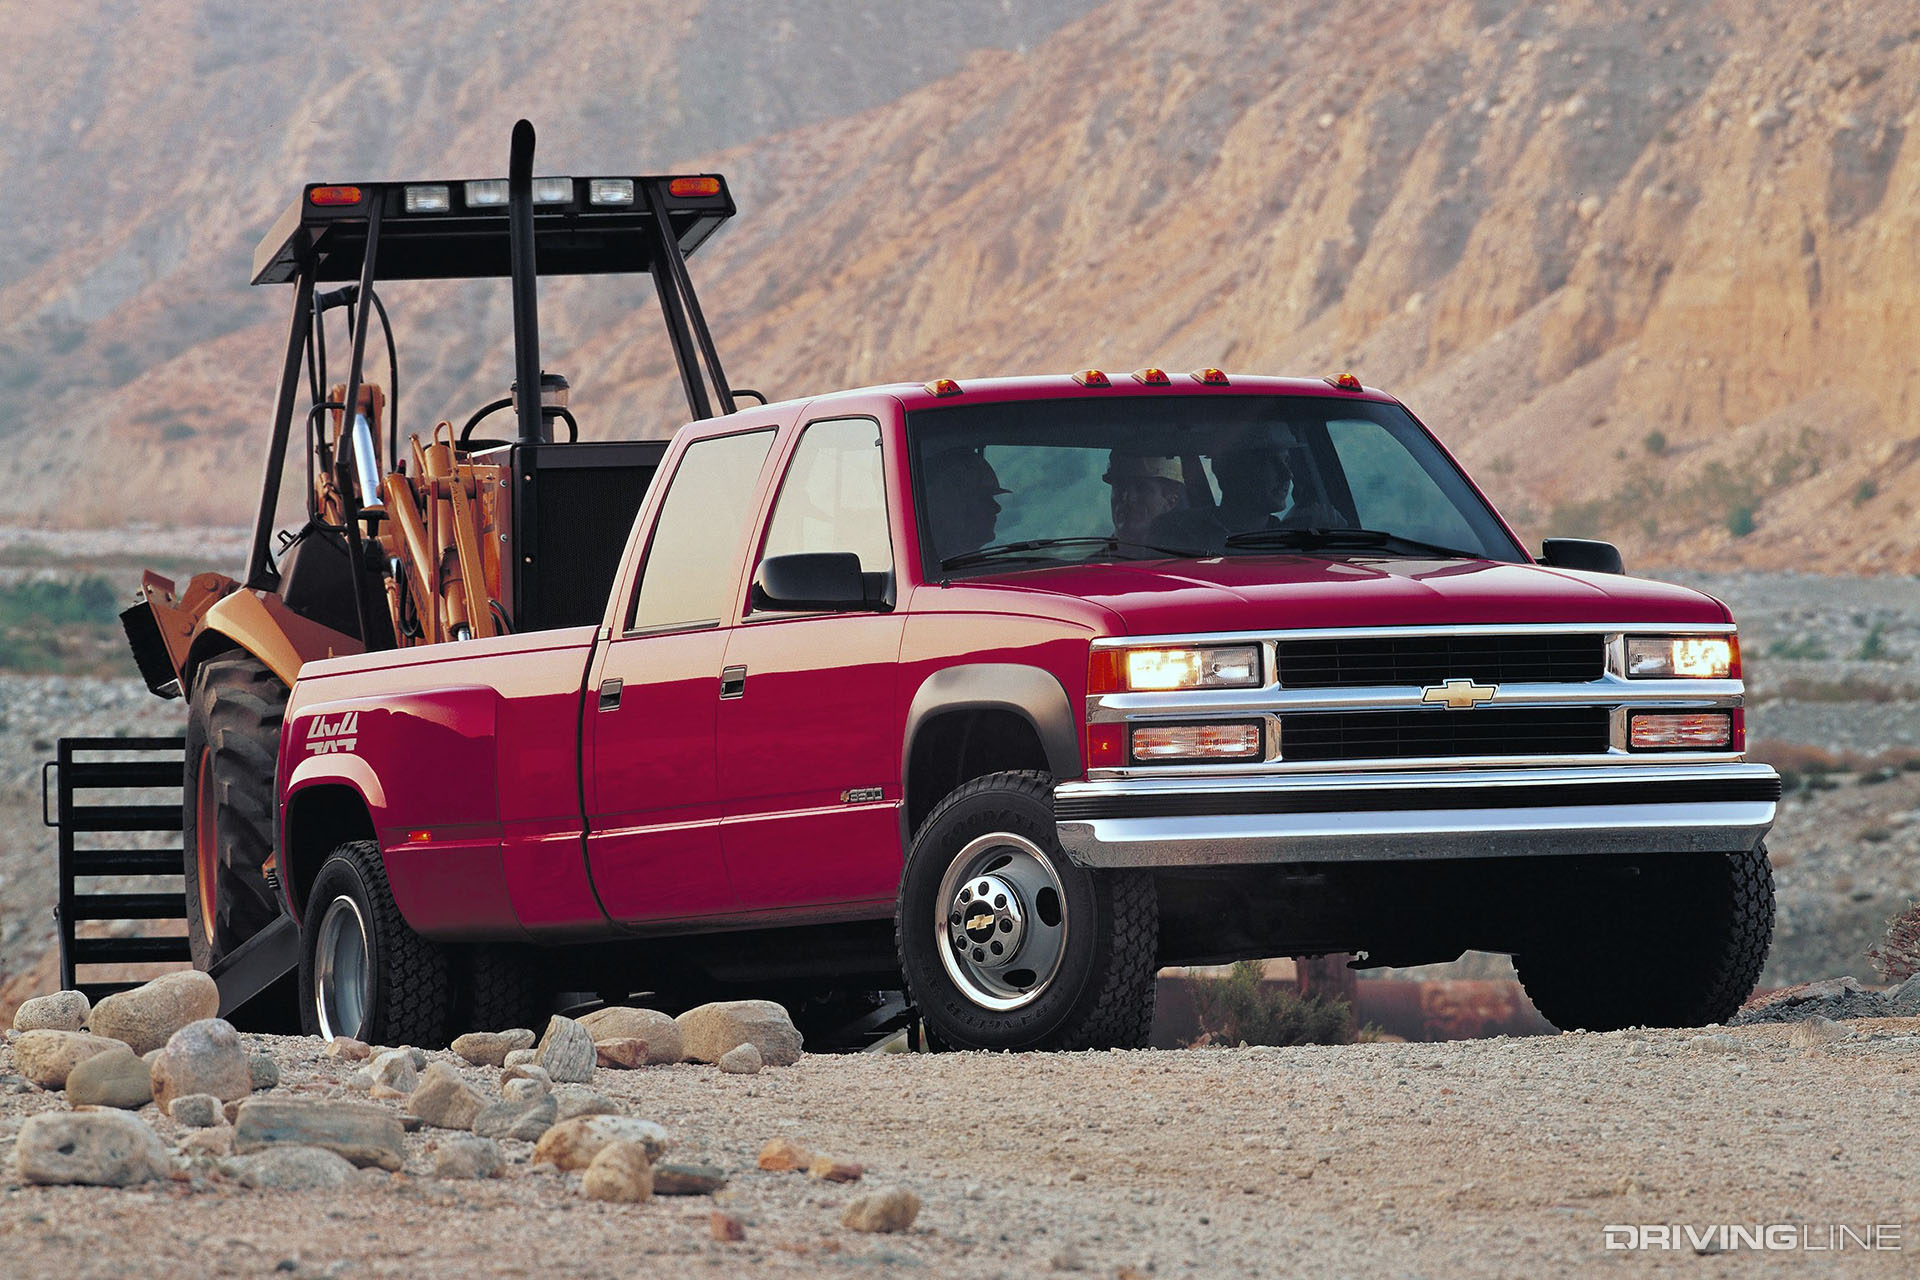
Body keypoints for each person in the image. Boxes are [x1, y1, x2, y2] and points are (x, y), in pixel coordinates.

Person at [924, 448, 1008, 557]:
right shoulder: (925, 568)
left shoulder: (978, 566)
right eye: (983, 498)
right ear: (950, 506)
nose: (997, 508)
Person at [1104, 452, 1188, 545]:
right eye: (1120, 486)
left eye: (1142, 488)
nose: (1129, 498)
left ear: (1170, 501)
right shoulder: (1096, 559)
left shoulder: (1191, 553)